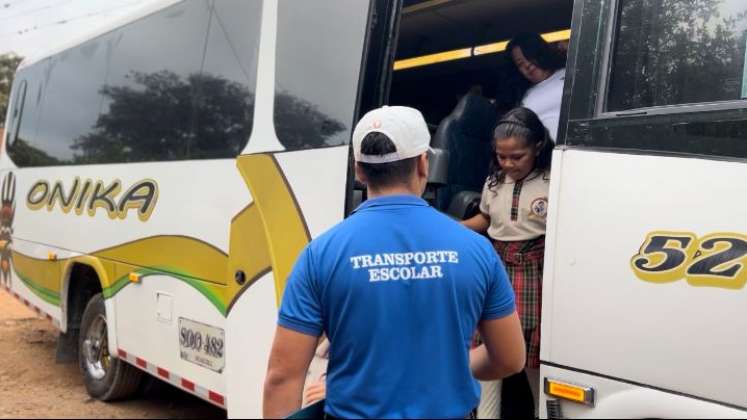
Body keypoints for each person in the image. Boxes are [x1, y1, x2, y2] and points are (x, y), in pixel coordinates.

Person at [263, 105, 526, 419]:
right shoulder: (476, 249)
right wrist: (452, 364)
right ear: (423, 163)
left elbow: (283, 377)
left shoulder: (321, 253)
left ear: (358, 169)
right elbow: (509, 359)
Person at [462, 107, 553, 418]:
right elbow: (485, 219)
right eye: (502, 156)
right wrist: (450, 228)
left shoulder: (553, 181)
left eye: (518, 156)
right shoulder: (493, 183)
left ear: (538, 147)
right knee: (488, 345)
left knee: (533, 355)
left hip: (535, 273)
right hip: (497, 267)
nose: (509, 163)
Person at [507, 32, 566, 141]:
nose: (527, 65)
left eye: (529, 57)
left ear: (540, 53)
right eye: (520, 64)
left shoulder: (568, 74)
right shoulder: (524, 98)